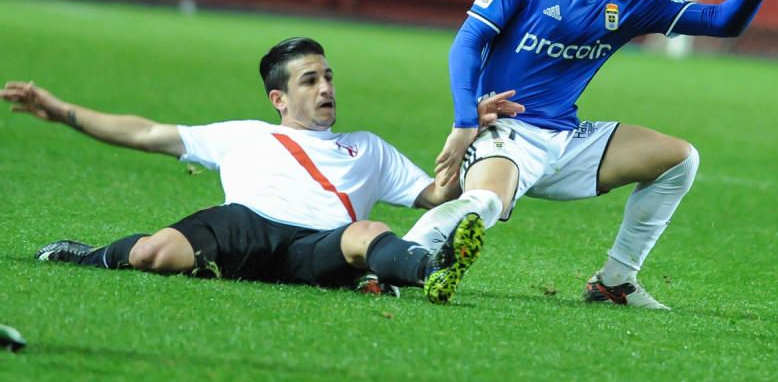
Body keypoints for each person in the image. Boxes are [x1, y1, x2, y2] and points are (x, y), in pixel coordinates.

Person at [404, 0, 778, 309]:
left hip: (566, 140)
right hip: (504, 130)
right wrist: (464, 122)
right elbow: (469, 41)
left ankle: (615, 281)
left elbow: (720, 22)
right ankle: (400, 260)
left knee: (681, 160)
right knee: (487, 201)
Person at [1, 37, 522, 304]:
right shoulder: (244, 135)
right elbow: (144, 132)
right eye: (310, 80)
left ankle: (432, 271)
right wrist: (62, 112)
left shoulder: (367, 148)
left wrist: (468, 130)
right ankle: (90, 255)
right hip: (245, 227)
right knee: (151, 254)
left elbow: (436, 195)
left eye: (328, 77)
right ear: (279, 97)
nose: (325, 89)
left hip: (316, 248)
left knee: (368, 232)